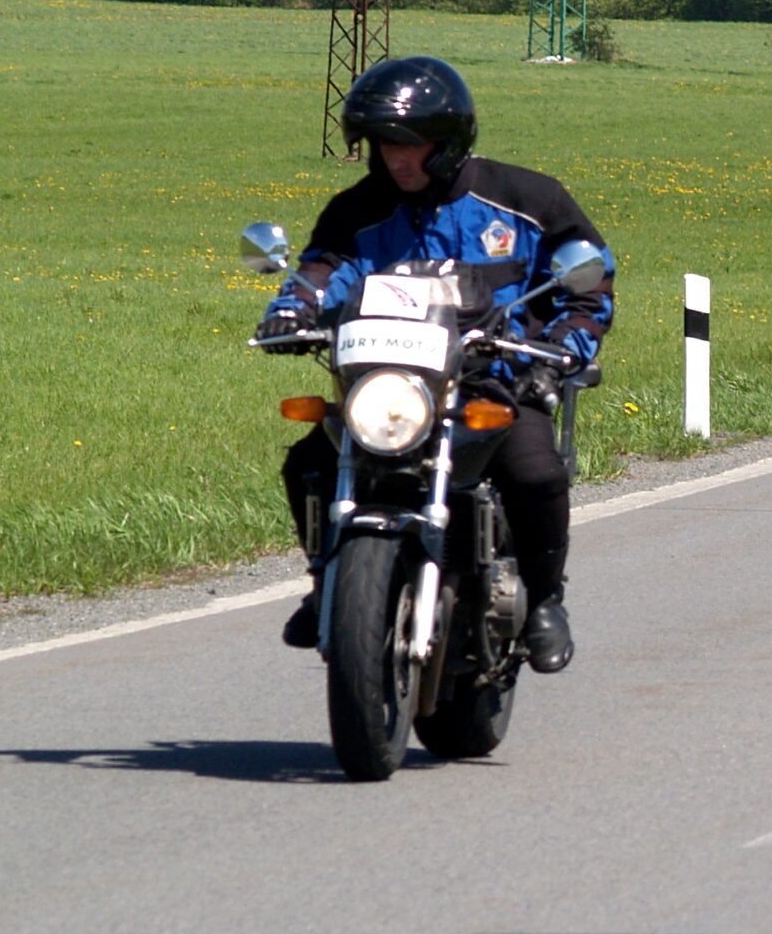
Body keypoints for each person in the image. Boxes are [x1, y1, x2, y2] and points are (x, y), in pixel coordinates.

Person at [256, 56, 613, 673]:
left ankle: (544, 600)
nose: (395, 159)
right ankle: (329, 581)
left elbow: (589, 285)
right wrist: (291, 311)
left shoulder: (527, 200)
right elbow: (321, 269)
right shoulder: (357, 210)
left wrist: (557, 356)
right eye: (384, 145)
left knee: (535, 473)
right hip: (390, 388)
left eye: (410, 145)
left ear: (447, 142)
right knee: (310, 462)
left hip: (492, 383)